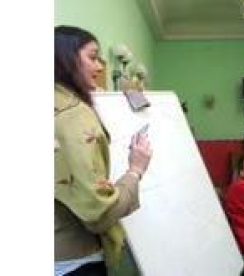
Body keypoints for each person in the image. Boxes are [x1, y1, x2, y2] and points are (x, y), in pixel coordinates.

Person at [55, 26, 152, 276]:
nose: (99, 68)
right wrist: (136, 169)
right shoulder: (73, 115)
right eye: (92, 56)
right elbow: (100, 212)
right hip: (74, 262)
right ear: (64, 58)